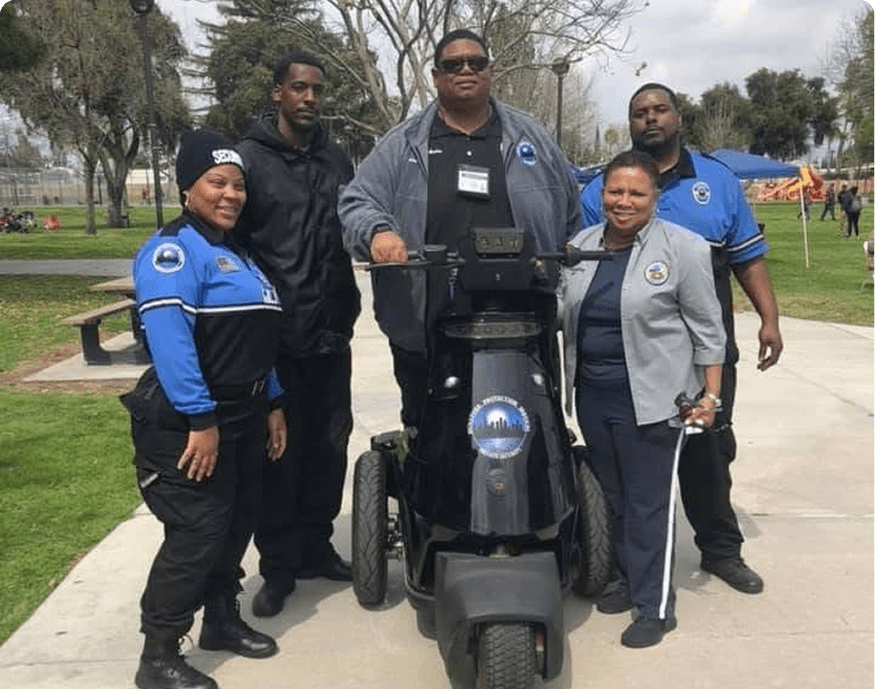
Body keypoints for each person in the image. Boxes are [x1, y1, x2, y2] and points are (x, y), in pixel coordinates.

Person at [580, 83, 783, 598]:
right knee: (631, 467)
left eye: (659, 110)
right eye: (639, 113)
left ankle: (720, 550)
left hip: (702, 346)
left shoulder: (716, 181)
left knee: (706, 451)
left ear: (677, 116)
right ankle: (632, 567)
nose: (650, 119)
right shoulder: (601, 188)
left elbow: (747, 256)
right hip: (635, 352)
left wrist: (769, 318)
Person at [339, 28, 580, 429]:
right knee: (431, 435)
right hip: (429, 322)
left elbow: (573, 211)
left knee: (533, 431)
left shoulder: (532, 137)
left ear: (490, 72)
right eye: (452, 64)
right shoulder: (403, 144)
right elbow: (355, 201)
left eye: (476, 62)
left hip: (524, 320)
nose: (465, 70)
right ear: (436, 76)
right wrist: (378, 232)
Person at [121, 129, 287, 689]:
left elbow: (257, 342)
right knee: (196, 535)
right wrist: (200, 418)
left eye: (238, 185)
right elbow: (171, 342)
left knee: (235, 524)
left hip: (244, 416)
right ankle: (159, 654)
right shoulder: (173, 252)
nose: (231, 195)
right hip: (188, 424)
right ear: (187, 187)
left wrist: (273, 403)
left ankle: (220, 618)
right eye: (217, 183)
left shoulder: (238, 253)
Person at [561, 150, 726, 648]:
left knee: (647, 502)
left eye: (636, 193)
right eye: (615, 191)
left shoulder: (685, 248)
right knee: (612, 498)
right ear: (601, 195)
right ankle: (625, 580)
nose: (624, 202)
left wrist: (711, 395)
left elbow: (708, 330)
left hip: (655, 398)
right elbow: (563, 310)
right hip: (593, 395)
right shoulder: (581, 245)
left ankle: (654, 607)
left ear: (655, 198)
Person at [235, 49, 361, 617]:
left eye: (316, 89)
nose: (309, 98)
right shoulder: (248, 162)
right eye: (298, 88)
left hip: (331, 334)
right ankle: (280, 567)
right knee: (278, 454)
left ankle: (316, 548)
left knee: (328, 446)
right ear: (277, 94)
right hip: (276, 340)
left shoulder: (337, 159)